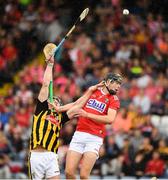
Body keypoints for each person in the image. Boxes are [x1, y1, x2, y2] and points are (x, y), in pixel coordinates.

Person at [28, 51, 103, 179]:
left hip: (52, 156)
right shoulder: (41, 110)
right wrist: (50, 66)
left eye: (58, 101)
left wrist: (90, 92)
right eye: (53, 99)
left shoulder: (60, 118)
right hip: (37, 155)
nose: (54, 100)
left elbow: (77, 105)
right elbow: (46, 85)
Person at [64, 73, 123, 179]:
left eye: (120, 84)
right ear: (108, 82)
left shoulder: (114, 99)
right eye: (117, 83)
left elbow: (110, 119)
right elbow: (76, 104)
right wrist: (59, 108)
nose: (119, 86)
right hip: (79, 134)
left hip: (94, 137)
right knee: (69, 173)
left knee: (83, 176)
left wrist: (87, 115)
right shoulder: (92, 91)